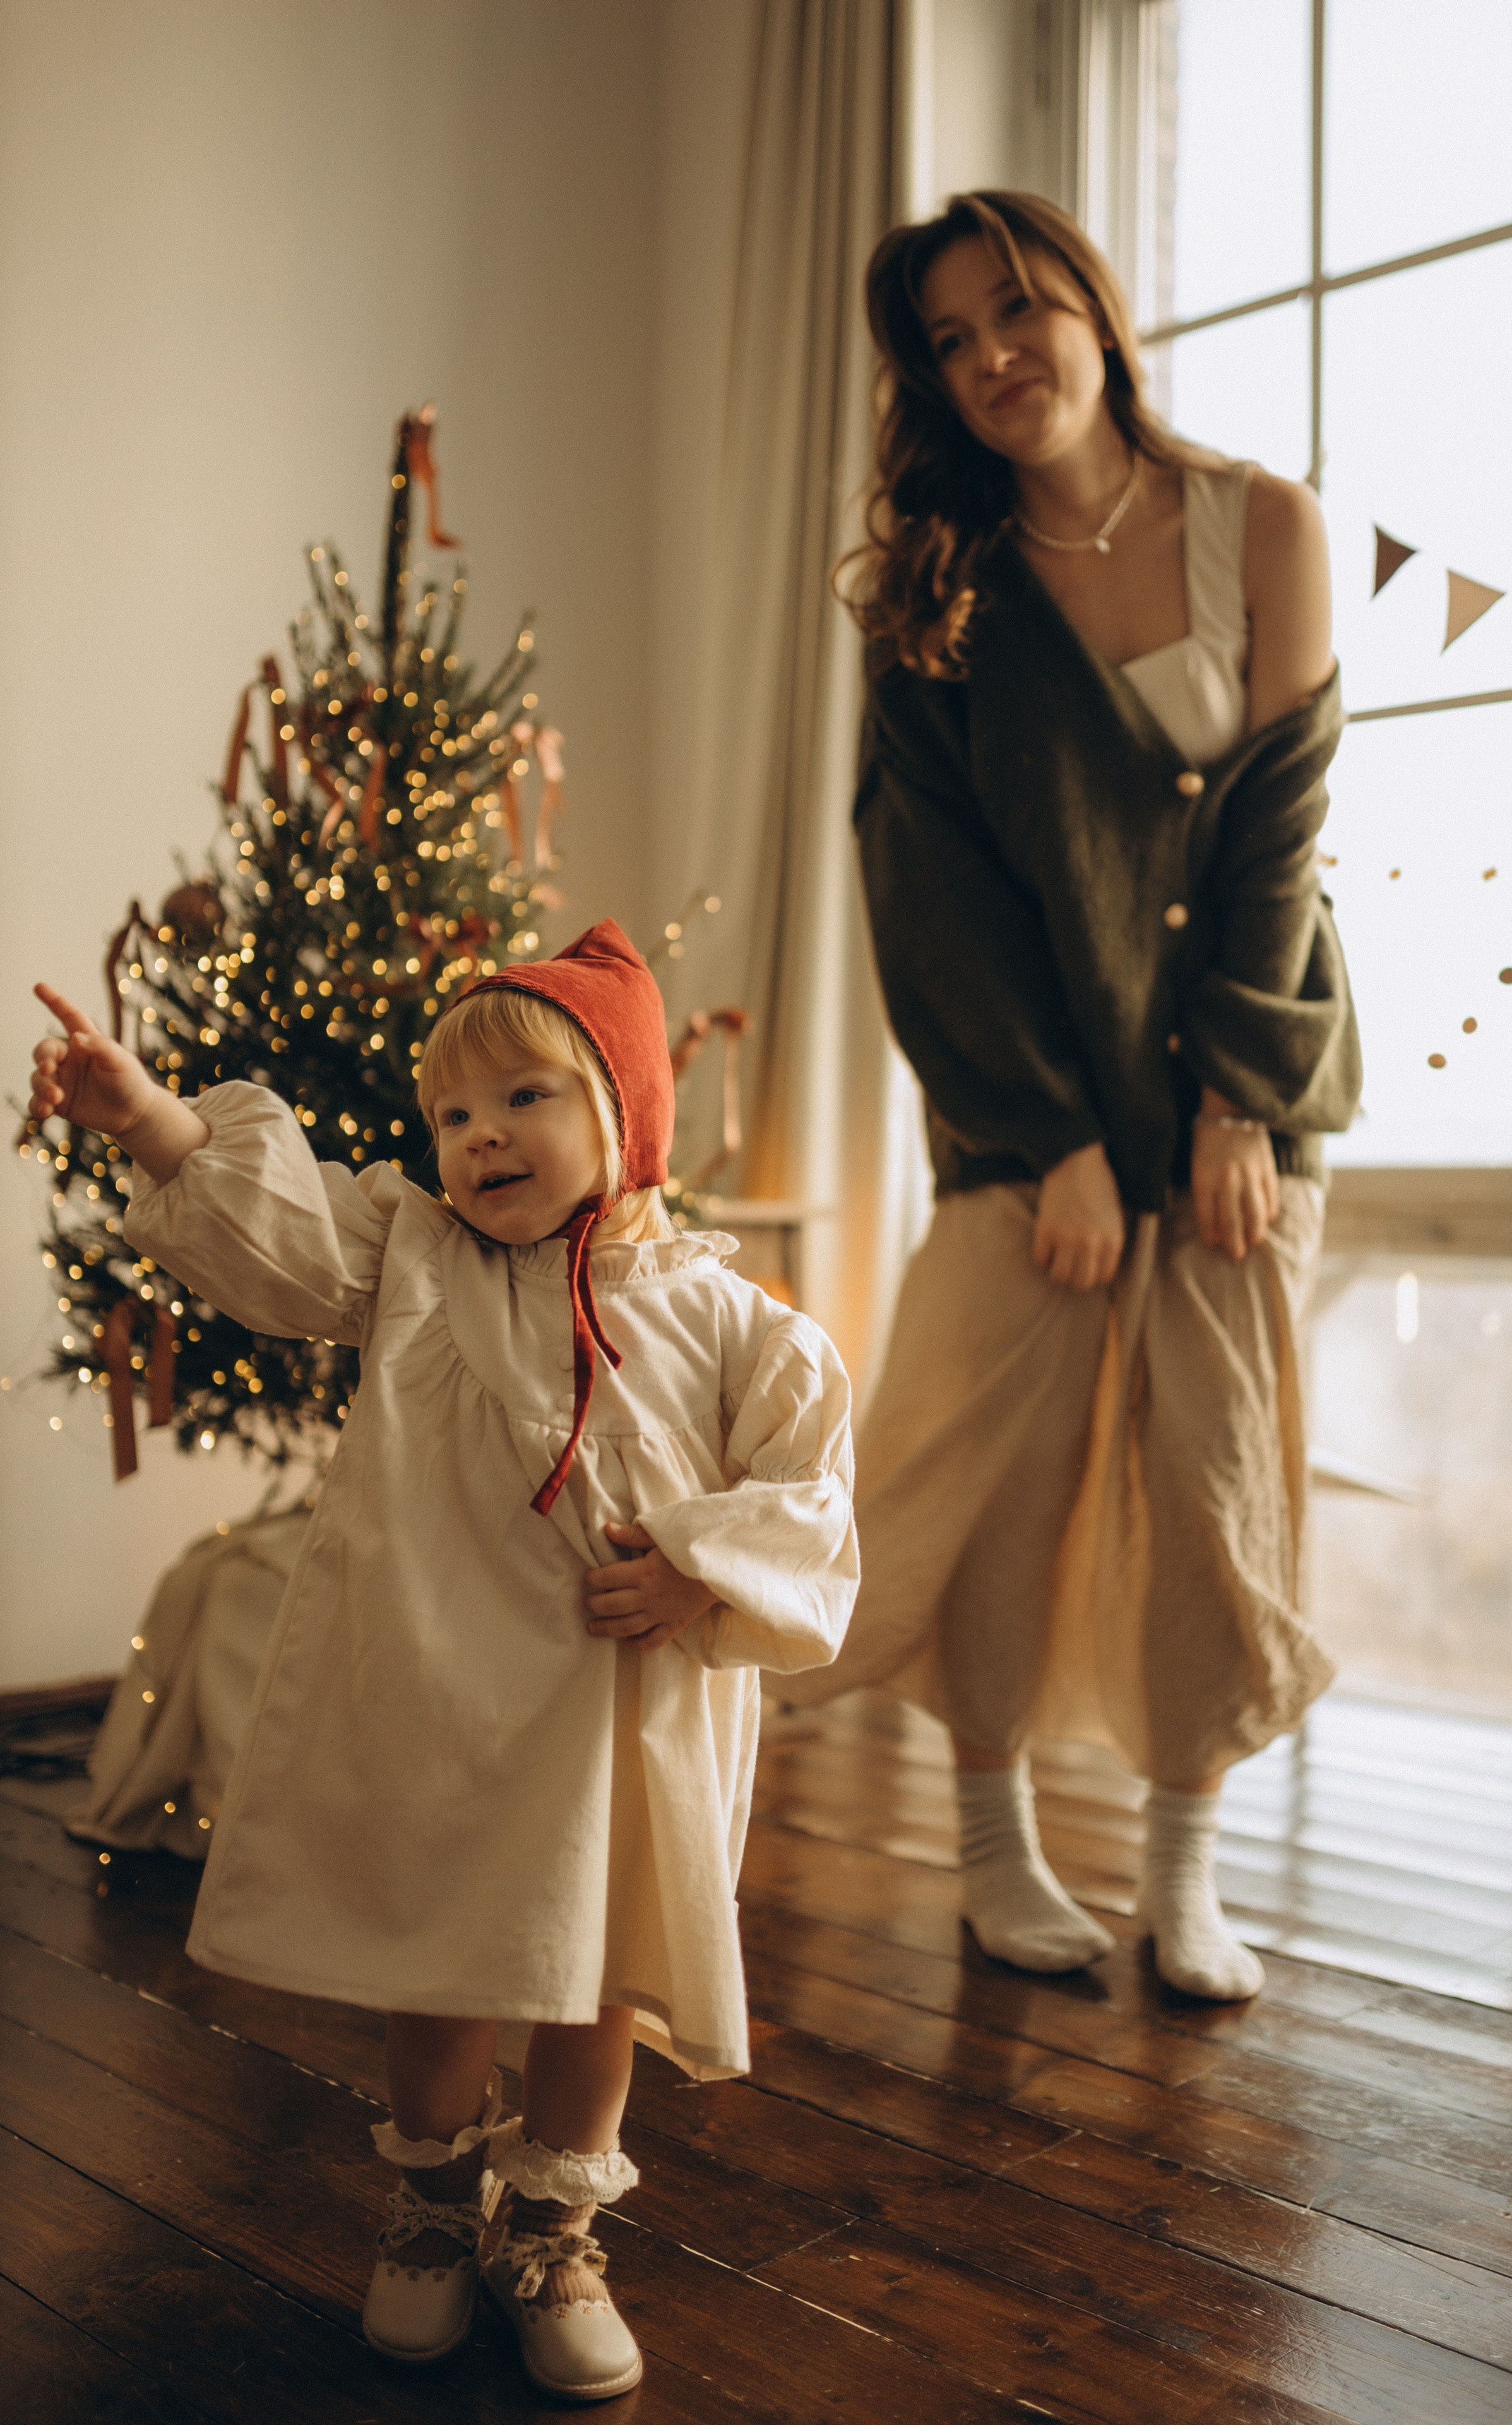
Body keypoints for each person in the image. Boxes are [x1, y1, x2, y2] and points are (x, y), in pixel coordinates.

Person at [28, 920, 857, 2400]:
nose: (475, 1140)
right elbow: (275, 1238)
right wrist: (147, 1116)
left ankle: (550, 2227)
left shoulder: (737, 1328)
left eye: (519, 1100)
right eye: (451, 1117)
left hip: (614, 1724)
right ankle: (428, 2206)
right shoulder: (408, 1255)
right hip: (440, 1695)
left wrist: (692, 1571)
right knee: (442, 1961)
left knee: (588, 1973)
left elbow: (810, 1504)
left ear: (622, 1107)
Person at [778, 191, 1359, 2003]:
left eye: (1015, 311)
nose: (989, 359)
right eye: (947, 341)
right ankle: (992, 1848)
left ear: (1095, 312)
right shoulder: (935, 602)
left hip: (1244, 1104)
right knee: (991, 1478)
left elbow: (1279, 829)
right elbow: (931, 898)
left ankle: (1185, 1874)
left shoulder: (1265, 525)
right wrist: (1054, 1145)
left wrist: (1236, 1106)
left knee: (1214, 1483)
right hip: (1030, 1120)